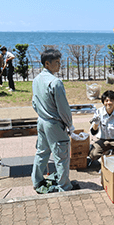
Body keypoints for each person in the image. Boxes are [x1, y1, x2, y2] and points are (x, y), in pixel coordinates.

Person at [31, 49, 75, 192]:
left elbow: (34, 103)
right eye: (56, 63)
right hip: (54, 124)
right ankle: (64, 186)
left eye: (59, 62)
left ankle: (36, 180)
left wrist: (42, 113)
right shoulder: (55, 83)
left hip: (42, 121)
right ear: (47, 64)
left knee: (42, 152)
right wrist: (69, 125)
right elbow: (63, 108)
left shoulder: (36, 80)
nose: (59, 65)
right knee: (61, 156)